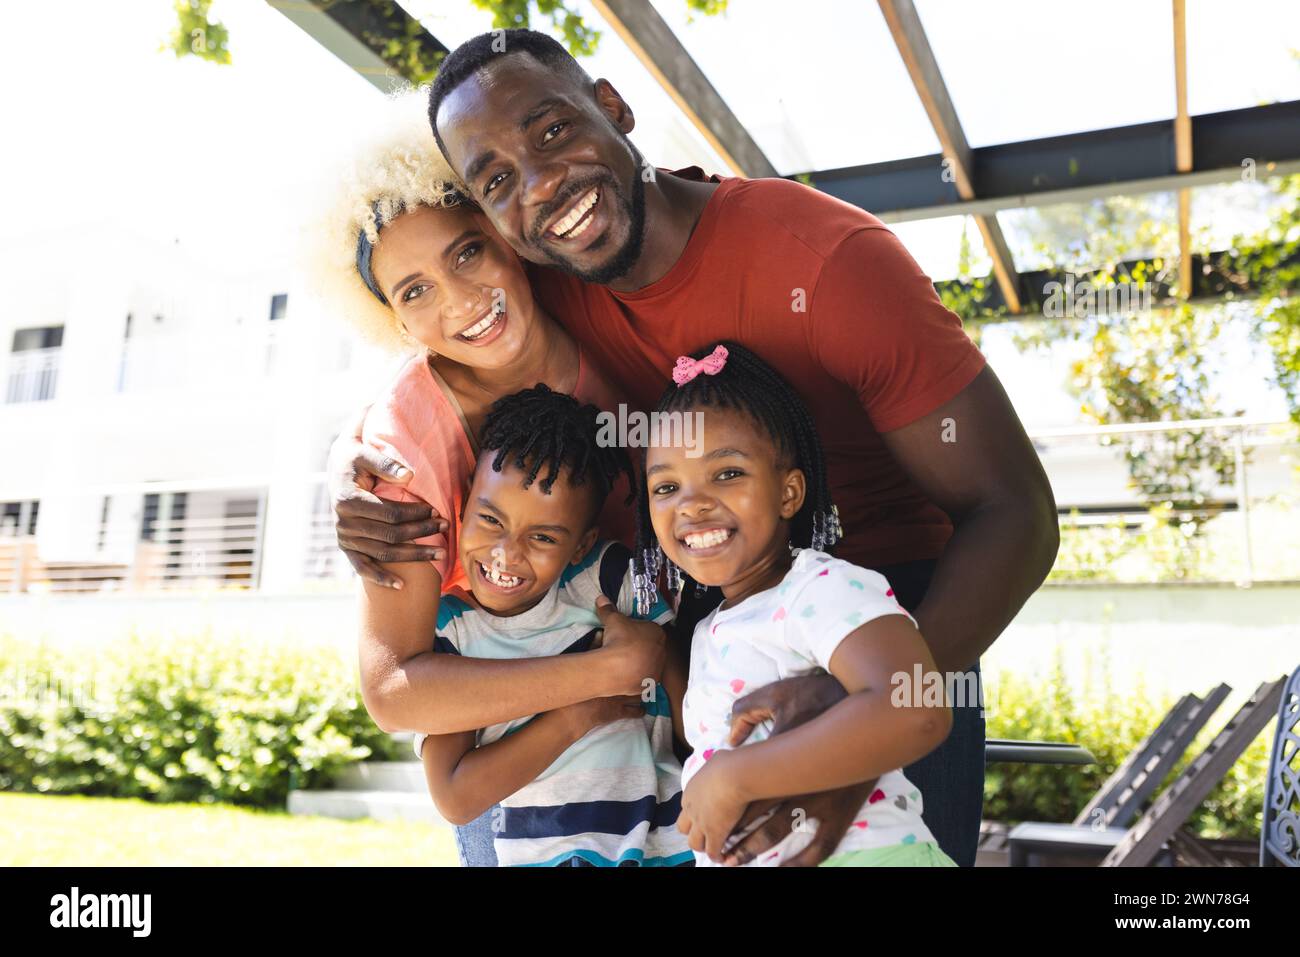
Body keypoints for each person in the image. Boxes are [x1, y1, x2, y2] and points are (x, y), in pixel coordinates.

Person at [329, 30, 1060, 867]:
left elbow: (1018, 512)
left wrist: (861, 704)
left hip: (890, 615)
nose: (540, 183)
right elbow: (441, 327)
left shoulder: (827, 263)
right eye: (497, 180)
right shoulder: (548, 273)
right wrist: (350, 463)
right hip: (700, 632)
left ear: (612, 108)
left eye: (554, 131)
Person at [309, 91, 671, 865]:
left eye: (467, 251)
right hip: (514, 775)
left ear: (506, 234)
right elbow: (393, 688)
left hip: (666, 754)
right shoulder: (404, 445)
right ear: (397, 326)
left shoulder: (592, 299)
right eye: (415, 292)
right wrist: (599, 678)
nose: (463, 300)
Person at [638, 341, 956, 867]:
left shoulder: (820, 588)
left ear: (789, 493)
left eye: (727, 473)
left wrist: (734, 777)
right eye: (666, 486)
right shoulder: (708, 630)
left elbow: (915, 707)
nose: (691, 502)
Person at [415, 385, 692, 867]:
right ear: (463, 507)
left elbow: (694, 721)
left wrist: (657, 649)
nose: (506, 553)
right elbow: (456, 798)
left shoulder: (607, 578)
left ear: (581, 545)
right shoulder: (451, 632)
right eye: (490, 519)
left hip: (669, 847)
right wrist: (576, 715)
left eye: (542, 536)